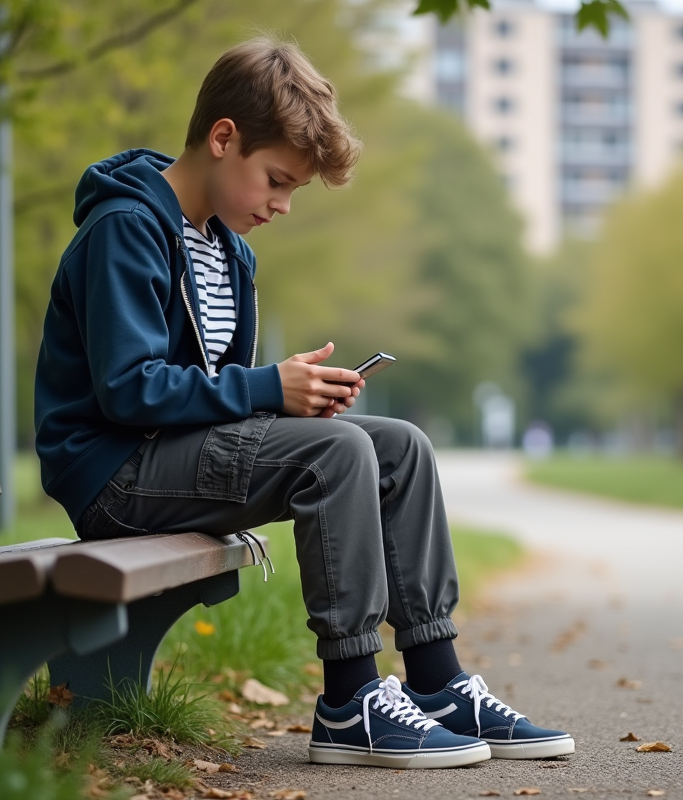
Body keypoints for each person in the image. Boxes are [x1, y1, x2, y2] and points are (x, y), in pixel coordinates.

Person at [34, 36, 574, 769]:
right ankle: (350, 699)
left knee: (399, 446)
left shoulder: (227, 249)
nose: (283, 206)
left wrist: (289, 404)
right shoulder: (127, 227)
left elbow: (205, 397)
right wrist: (267, 389)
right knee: (340, 451)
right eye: (277, 181)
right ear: (223, 138)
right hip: (115, 474)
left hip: (167, 457)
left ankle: (439, 680)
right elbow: (129, 390)